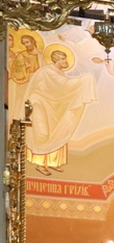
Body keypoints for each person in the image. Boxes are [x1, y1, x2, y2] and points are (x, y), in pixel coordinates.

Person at [25, 45, 96, 175]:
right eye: (63, 59)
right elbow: (63, 84)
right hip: (39, 103)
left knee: (57, 131)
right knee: (42, 133)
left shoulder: (59, 72)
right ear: (56, 60)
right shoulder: (47, 71)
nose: (65, 61)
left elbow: (59, 90)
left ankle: (53, 162)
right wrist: (83, 80)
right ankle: (40, 164)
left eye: (65, 58)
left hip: (52, 106)